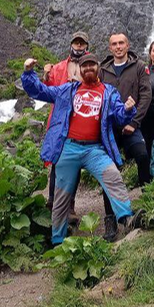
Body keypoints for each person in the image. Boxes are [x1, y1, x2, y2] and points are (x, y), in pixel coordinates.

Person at [20, 54, 140, 245]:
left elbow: (119, 116)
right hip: (69, 147)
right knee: (61, 197)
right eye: (85, 66)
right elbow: (40, 91)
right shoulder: (68, 90)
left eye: (92, 65)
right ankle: (58, 240)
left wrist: (127, 110)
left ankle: (127, 218)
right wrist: (28, 73)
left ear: (98, 67)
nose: (88, 68)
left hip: (94, 149)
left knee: (112, 176)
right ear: (81, 71)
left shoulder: (109, 92)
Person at [99, 33, 152, 240]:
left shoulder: (139, 67)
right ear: (110, 47)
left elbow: (146, 94)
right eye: (114, 44)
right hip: (109, 130)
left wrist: (134, 122)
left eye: (121, 43)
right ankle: (110, 219)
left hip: (131, 126)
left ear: (128, 45)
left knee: (142, 155)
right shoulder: (103, 70)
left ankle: (148, 200)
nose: (118, 47)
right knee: (107, 170)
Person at [40, 31, 90, 216]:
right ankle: (52, 200)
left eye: (81, 44)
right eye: (76, 43)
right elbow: (48, 89)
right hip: (60, 118)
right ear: (71, 44)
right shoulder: (59, 67)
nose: (78, 46)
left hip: (81, 118)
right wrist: (45, 74)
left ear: (86, 46)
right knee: (56, 158)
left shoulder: (92, 67)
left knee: (74, 161)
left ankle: (70, 203)